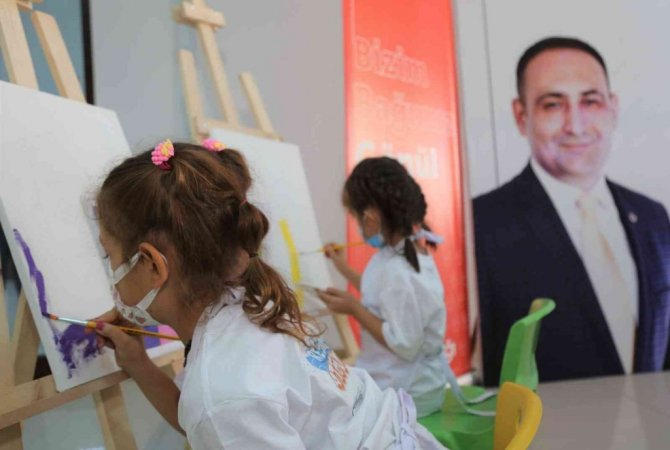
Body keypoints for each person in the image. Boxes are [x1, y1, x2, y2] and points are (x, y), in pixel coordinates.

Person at [93, 140, 445, 449]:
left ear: (152, 265)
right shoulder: (255, 300)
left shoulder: (223, 389)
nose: (109, 271)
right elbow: (216, 418)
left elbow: (221, 414)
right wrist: (137, 362)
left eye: (109, 256)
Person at [474, 37, 670, 386]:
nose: (575, 126)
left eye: (590, 101)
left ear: (612, 108)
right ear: (521, 115)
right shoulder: (480, 226)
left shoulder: (652, 217)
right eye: (553, 105)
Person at [317, 157, 448, 417]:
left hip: (409, 396)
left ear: (370, 219)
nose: (356, 224)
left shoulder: (399, 270)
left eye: (355, 217)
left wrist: (354, 309)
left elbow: (404, 344)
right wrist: (341, 267)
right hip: (409, 384)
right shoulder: (401, 253)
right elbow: (381, 295)